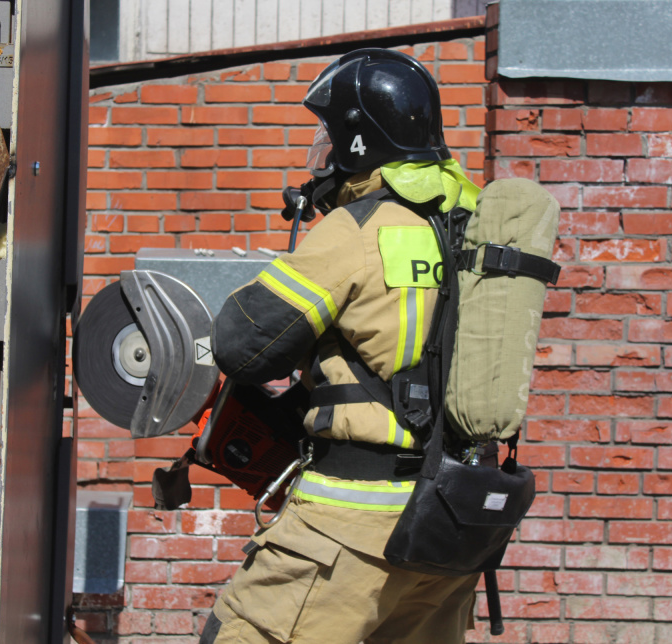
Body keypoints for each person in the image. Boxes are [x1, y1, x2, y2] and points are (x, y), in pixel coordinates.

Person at [202, 48, 483, 644]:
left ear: (359, 140)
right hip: (450, 525)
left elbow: (240, 345)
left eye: (329, 137)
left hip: (351, 527)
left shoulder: (357, 229)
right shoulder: (469, 226)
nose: (322, 155)